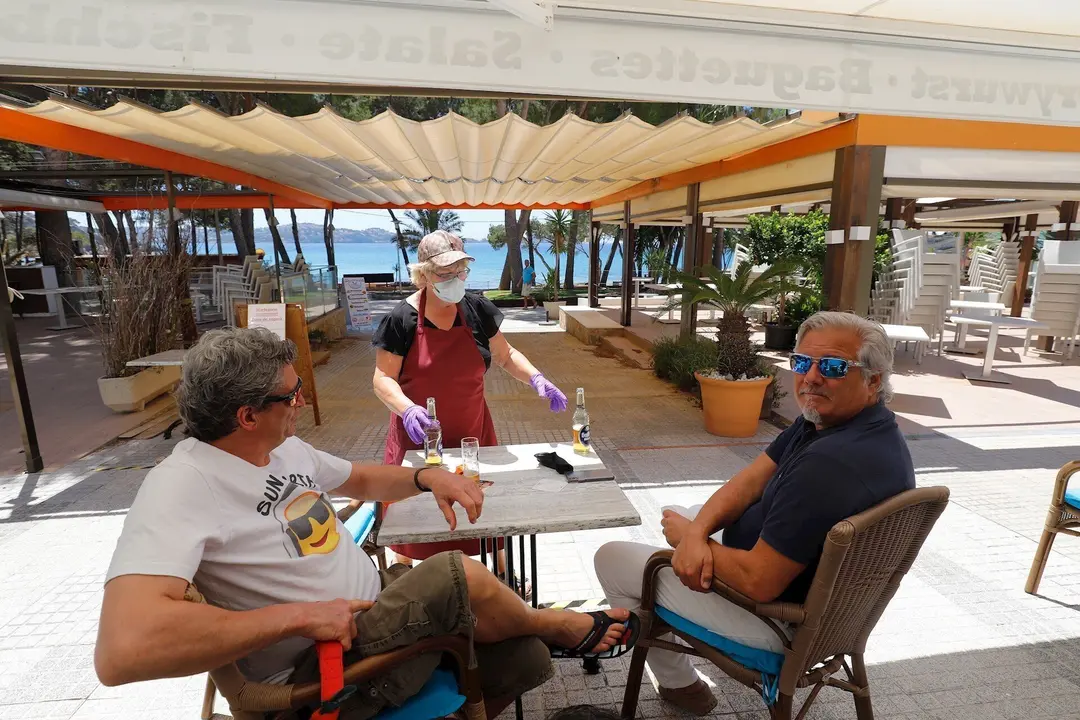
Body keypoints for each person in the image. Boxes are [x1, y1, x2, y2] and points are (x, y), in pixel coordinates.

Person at [95, 327, 638, 720]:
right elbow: (122, 651)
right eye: (292, 394)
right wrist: (299, 617)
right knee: (457, 572)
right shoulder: (181, 485)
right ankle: (557, 623)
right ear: (247, 415)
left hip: (376, 608)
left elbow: (360, 479)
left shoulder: (283, 448)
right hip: (321, 664)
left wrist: (427, 477)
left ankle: (540, 632)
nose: (303, 400)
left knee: (525, 657)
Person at [593, 312, 915, 716]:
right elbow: (747, 483)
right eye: (802, 362)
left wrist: (687, 540)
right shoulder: (844, 425)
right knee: (686, 516)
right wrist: (696, 534)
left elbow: (759, 581)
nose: (811, 377)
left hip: (776, 624)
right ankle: (682, 585)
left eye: (833, 367)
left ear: (873, 380)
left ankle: (680, 684)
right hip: (825, 608)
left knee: (613, 558)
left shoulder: (830, 464)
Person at [372, 230, 567, 574]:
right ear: (423, 275)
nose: (454, 279)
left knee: (484, 509)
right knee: (413, 516)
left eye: (460, 271)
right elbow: (382, 379)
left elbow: (505, 355)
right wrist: (408, 409)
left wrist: (537, 378)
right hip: (419, 438)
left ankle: (503, 573)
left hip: (472, 433)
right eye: (444, 273)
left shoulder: (476, 309)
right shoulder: (401, 319)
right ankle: (405, 577)